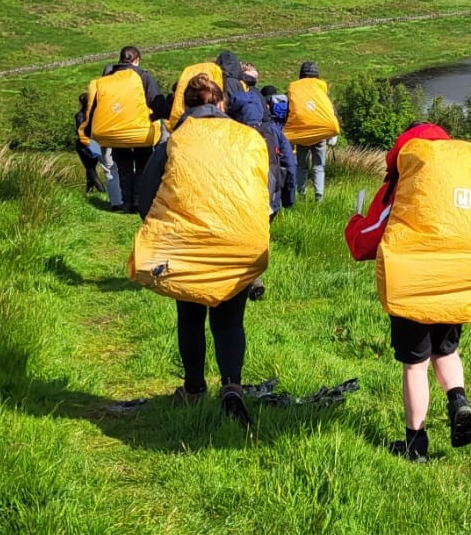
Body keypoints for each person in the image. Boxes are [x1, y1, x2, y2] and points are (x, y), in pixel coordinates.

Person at [344, 123, 471, 460]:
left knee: (415, 365)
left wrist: (353, 223)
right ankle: (458, 400)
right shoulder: (467, 178)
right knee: (446, 351)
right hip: (458, 284)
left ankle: (415, 444)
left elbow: (367, 239)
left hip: (413, 287)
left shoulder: (406, 176)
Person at [130, 73, 274, 422]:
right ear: (223, 103)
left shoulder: (175, 141)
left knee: (190, 317)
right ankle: (232, 386)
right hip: (241, 241)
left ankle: (194, 389)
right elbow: (268, 194)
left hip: (187, 242)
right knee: (230, 321)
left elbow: (143, 198)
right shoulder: (249, 139)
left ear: (187, 105)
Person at [81, 46, 167, 213]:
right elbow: (159, 105)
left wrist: (89, 132)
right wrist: (153, 117)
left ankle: (126, 203)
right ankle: (139, 202)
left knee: (123, 168)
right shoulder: (143, 76)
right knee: (143, 167)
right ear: (136, 60)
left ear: (120, 59)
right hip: (141, 133)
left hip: (114, 134)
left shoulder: (106, 79)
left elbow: (94, 108)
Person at [285, 61, 341, 202]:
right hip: (319, 133)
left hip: (301, 133)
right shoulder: (321, 88)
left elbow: (290, 111)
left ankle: (301, 196)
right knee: (319, 166)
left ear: (301, 75)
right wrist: (332, 133)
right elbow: (330, 109)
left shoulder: (295, 89)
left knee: (302, 166)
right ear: (316, 76)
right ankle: (319, 198)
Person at [260, 85, 298, 211]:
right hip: (286, 135)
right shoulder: (286, 101)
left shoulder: (264, 102)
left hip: (270, 135)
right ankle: (285, 201)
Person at [73, 93, 103, 193]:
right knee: (91, 167)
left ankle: (102, 191)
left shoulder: (80, 115)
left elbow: (80, 131)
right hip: (95, 143)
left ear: (81, 102)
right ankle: (89, 190)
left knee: (90, 168)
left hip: (84, 144)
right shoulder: (96, 114)